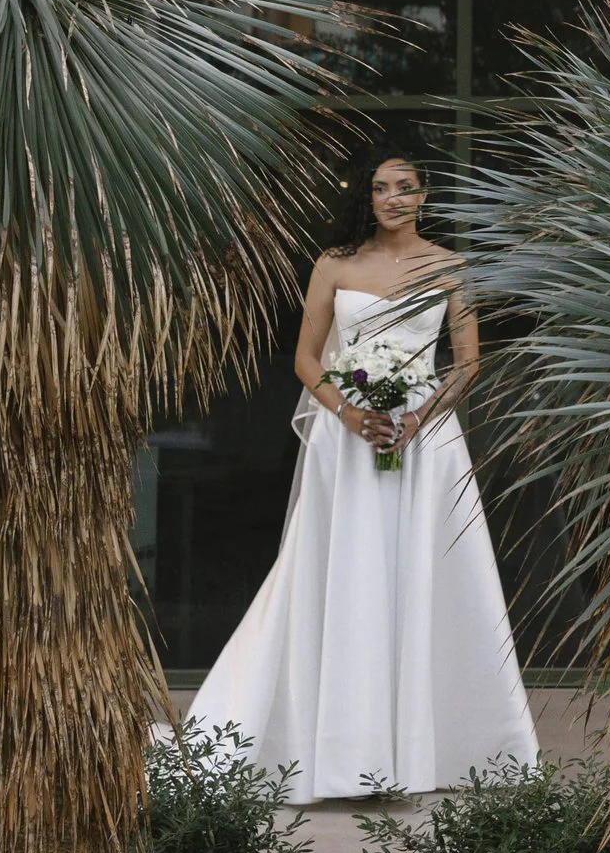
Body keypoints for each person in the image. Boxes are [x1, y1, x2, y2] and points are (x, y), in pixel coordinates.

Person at [184, 142, 539, 798]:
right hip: (347, 443)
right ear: (367, 197)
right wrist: (350, 415)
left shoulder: (449, 266)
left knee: (428, 572)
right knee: (343, 572)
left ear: (424, 194)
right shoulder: (335, 264)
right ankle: (341, 750)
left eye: (405, 186)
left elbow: (466, 361)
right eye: (381, 188)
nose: (393, 197)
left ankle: (433, 747)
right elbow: (306, 358)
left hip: (423, 440)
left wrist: (418, 415)